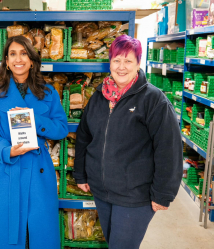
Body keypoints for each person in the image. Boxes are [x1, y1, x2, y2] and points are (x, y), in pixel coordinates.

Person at [73, 35, 182, 249]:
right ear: (110, 63)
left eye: (128, 61)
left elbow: (168, 149)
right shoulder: (99, 95)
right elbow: (84, 136)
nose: (121, 67)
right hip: (101, 190)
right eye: (116, 60)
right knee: (113, 242)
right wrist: (81, 174)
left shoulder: (154, 99)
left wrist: (163, 193)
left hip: (135, 194)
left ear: (138, 64)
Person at [0, 36, 68, 249]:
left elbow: (61, 129)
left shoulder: (49, 92)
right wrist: (6, 151)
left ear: (32, 60)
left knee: (36, 232)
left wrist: (34, 119)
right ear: (6, 61)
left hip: (38, 171)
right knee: (3, 231)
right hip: (6, 169)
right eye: (13, 54)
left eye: (24, 53)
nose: (19, 59)